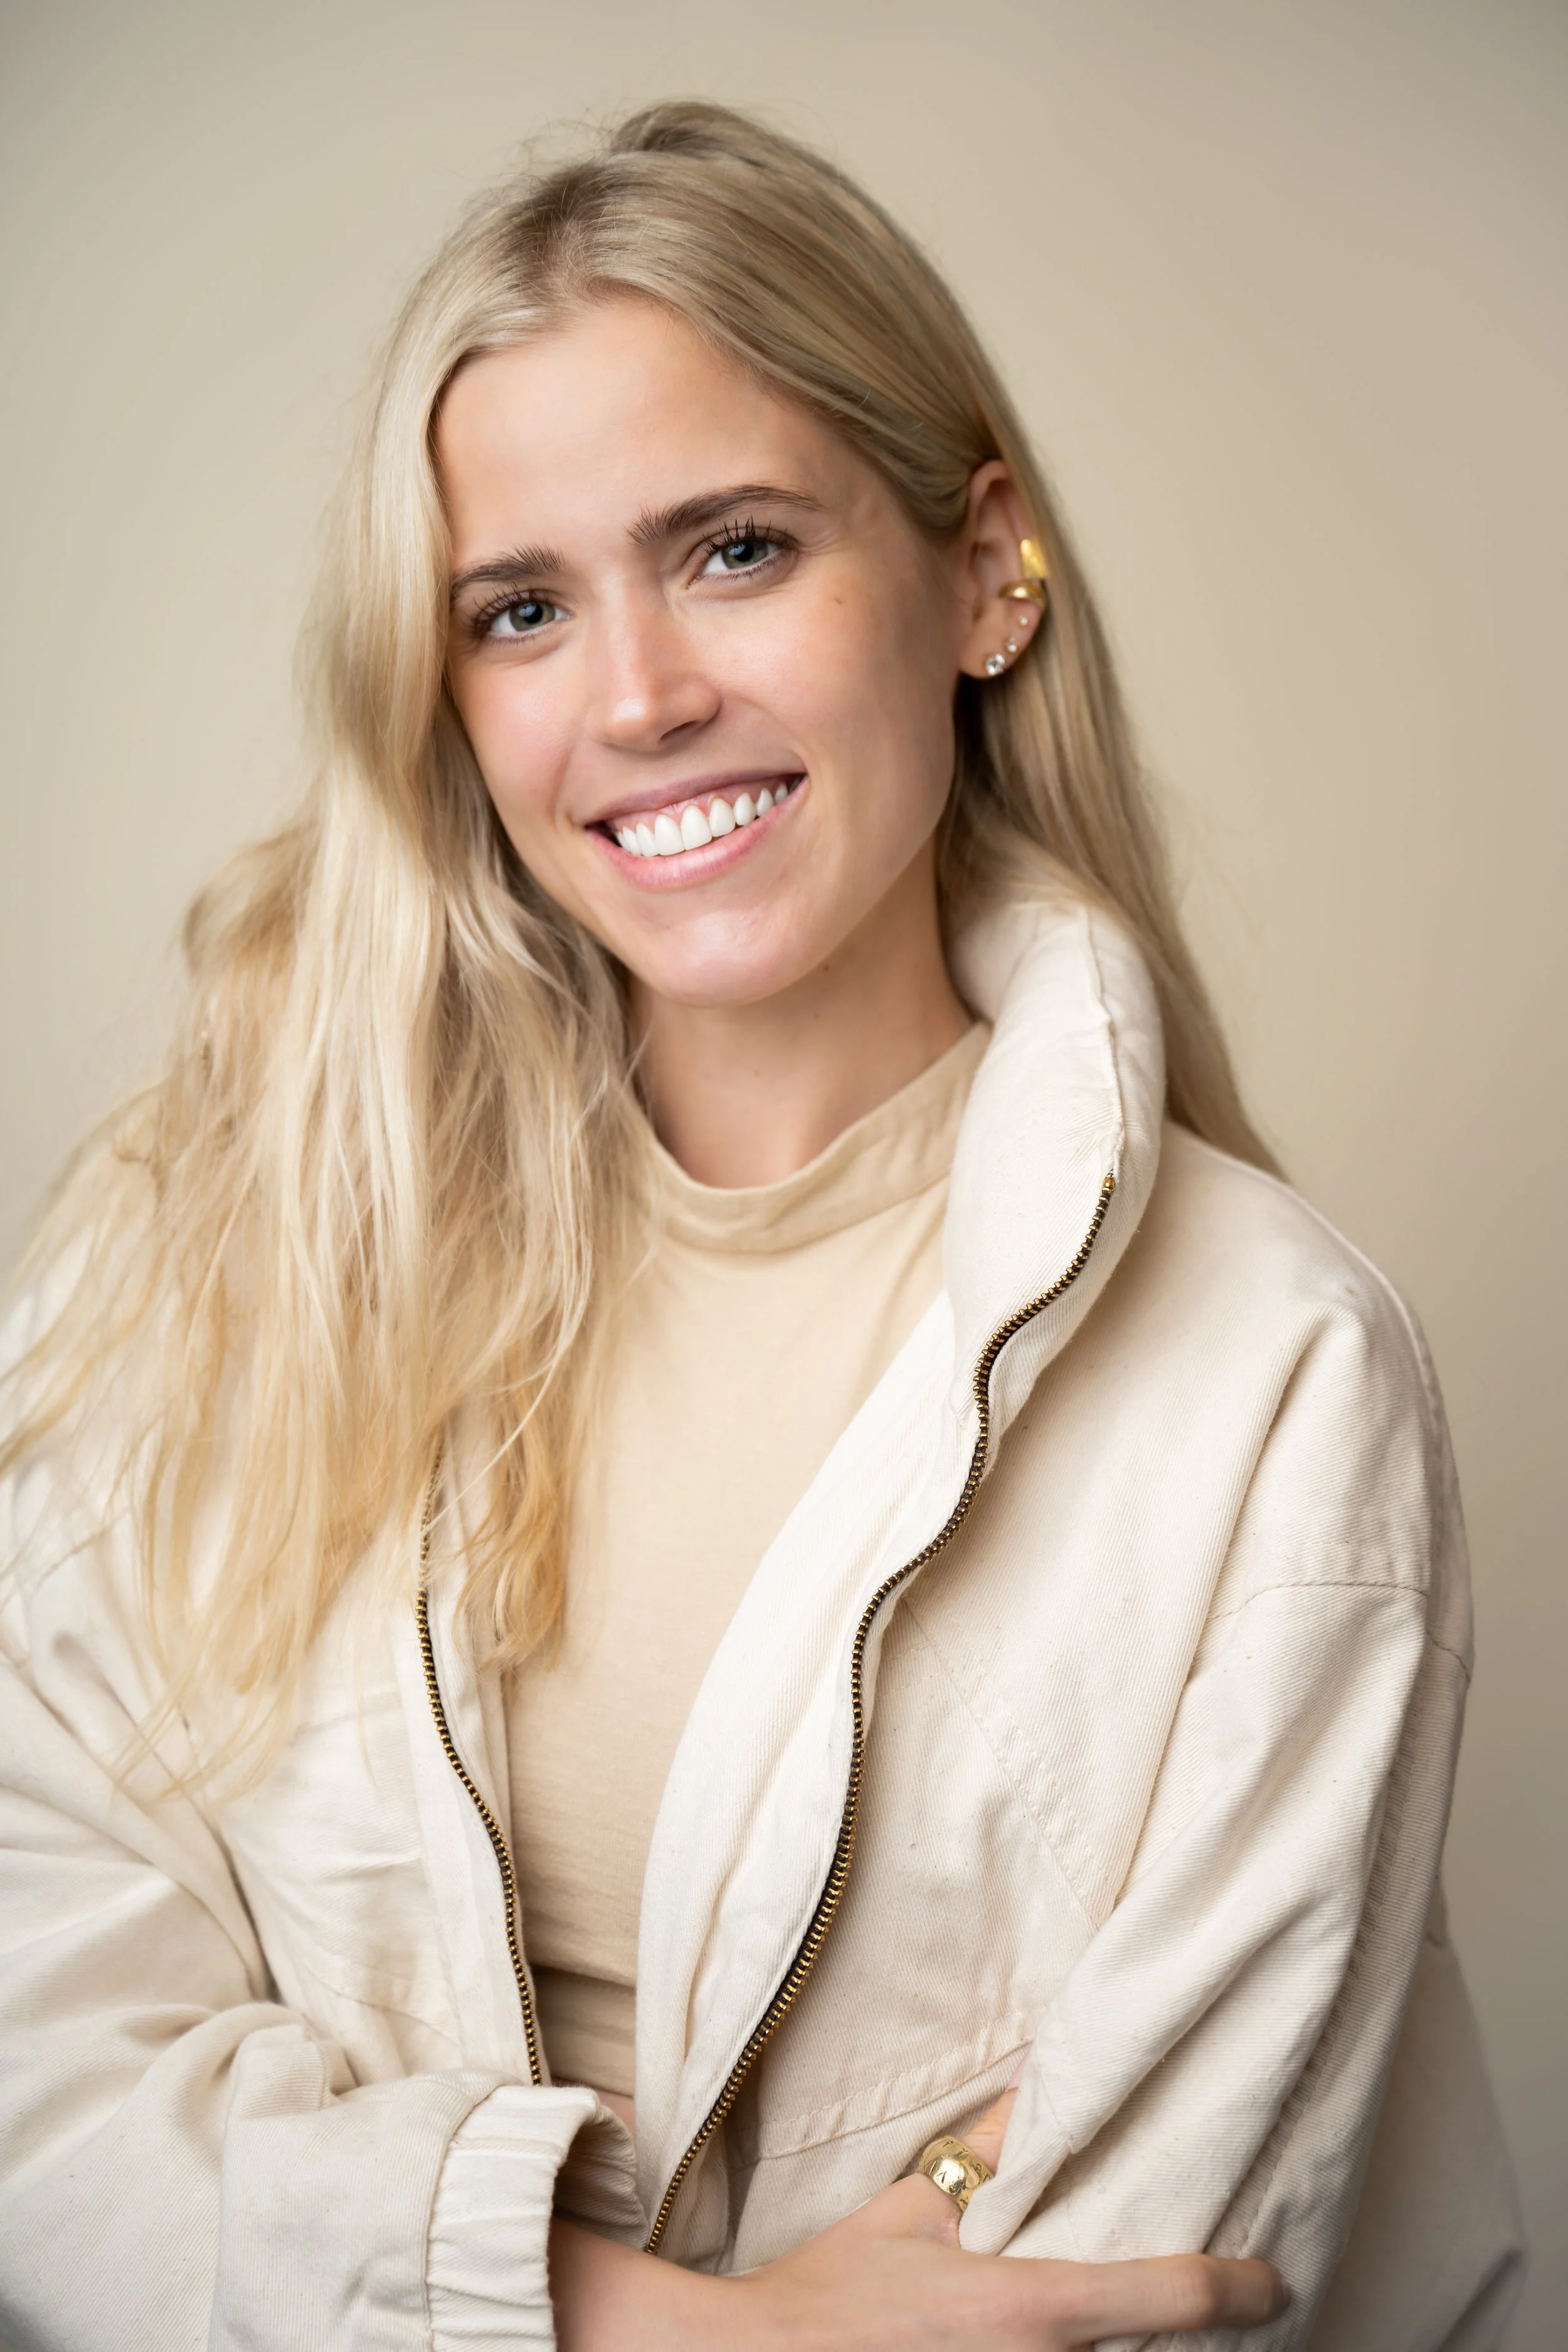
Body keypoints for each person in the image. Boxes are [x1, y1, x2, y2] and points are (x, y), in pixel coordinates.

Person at [0, 99, 1523, 2352]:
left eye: (731, 549)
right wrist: (660, 2326)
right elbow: (44, 2076)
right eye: (521, 608)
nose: (635, 698)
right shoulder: (217, 1249)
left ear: (982, 568)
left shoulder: (1274, 1374)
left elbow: (1116, 2284)